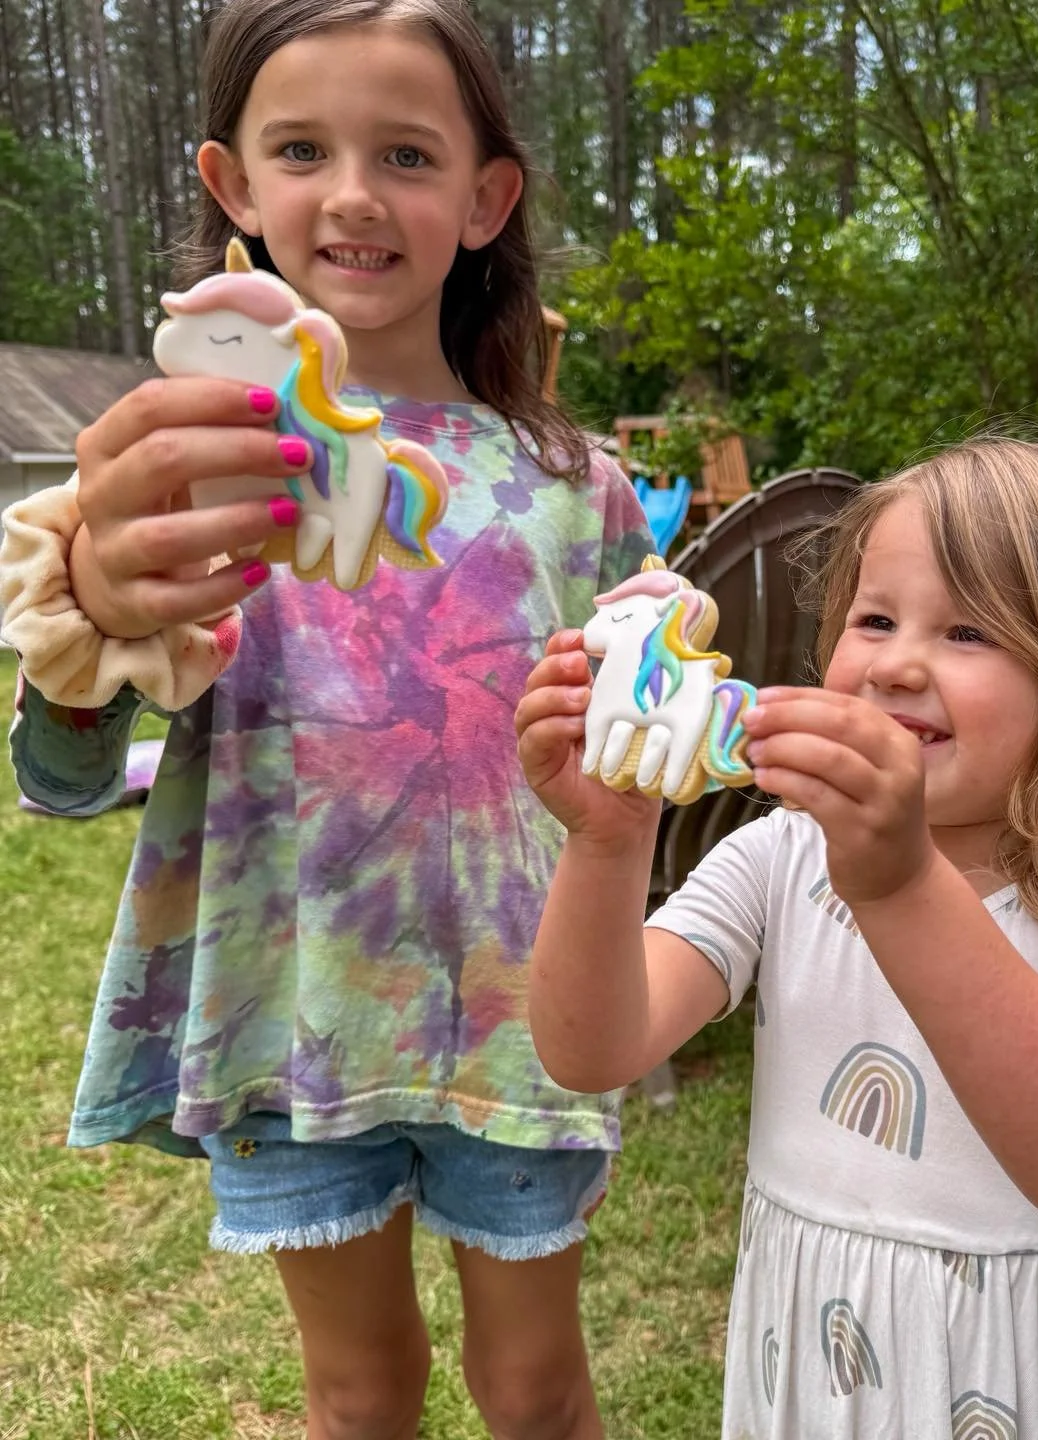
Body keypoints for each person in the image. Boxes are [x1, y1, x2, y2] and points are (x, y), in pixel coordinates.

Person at [0, 2, 653, 1436]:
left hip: (517, 1022)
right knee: (361, 1394)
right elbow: (64, 776)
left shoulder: (576, 481)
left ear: (486, 200)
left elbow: (632, 753)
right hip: (290, 1021)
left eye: (407, 154)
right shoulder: (174, 467)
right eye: (303, 149)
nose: (354, 194)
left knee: (539, 1387)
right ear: (233, 183)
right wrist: (89, 633)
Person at [516, 437, 1038, 1439]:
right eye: (875, 619)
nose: (898, 664)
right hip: (817, 1381)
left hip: (1024, 1382)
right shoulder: (782, 857)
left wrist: (904, 884)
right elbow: (592, 1048)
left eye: (969, 632)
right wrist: (607, 848)